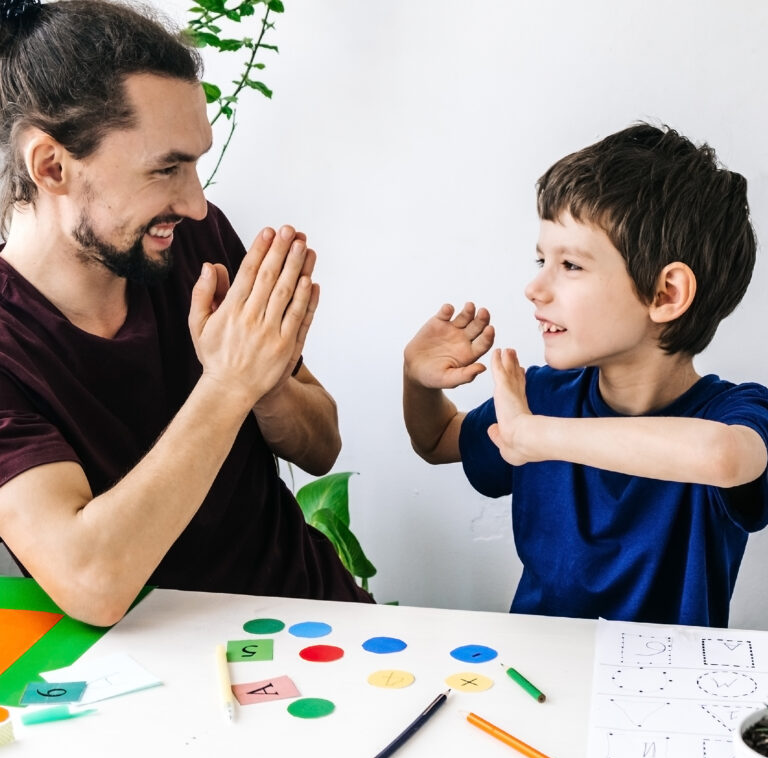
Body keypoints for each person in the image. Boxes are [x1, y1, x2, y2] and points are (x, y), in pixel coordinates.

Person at [0, 0, 371, 627]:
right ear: (52, 166)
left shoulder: (189, 246)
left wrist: (269, 380)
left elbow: (321, 446)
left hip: (321, 620)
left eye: (196, 163)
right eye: (167, 168)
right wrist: (228, 384)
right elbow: (91, 580)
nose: (196, 205)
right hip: (153, 685)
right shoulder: (12, 346)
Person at [404, 123, 768, 628]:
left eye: (571, 265)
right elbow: (437, 438)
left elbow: (723, 457)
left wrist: (536, 435)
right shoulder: (542, 396)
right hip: (538, 680)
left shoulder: (736, 414)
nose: (534, 287)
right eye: (541, 259)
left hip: (665, 696)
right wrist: (418, 381)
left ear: (665, 294)